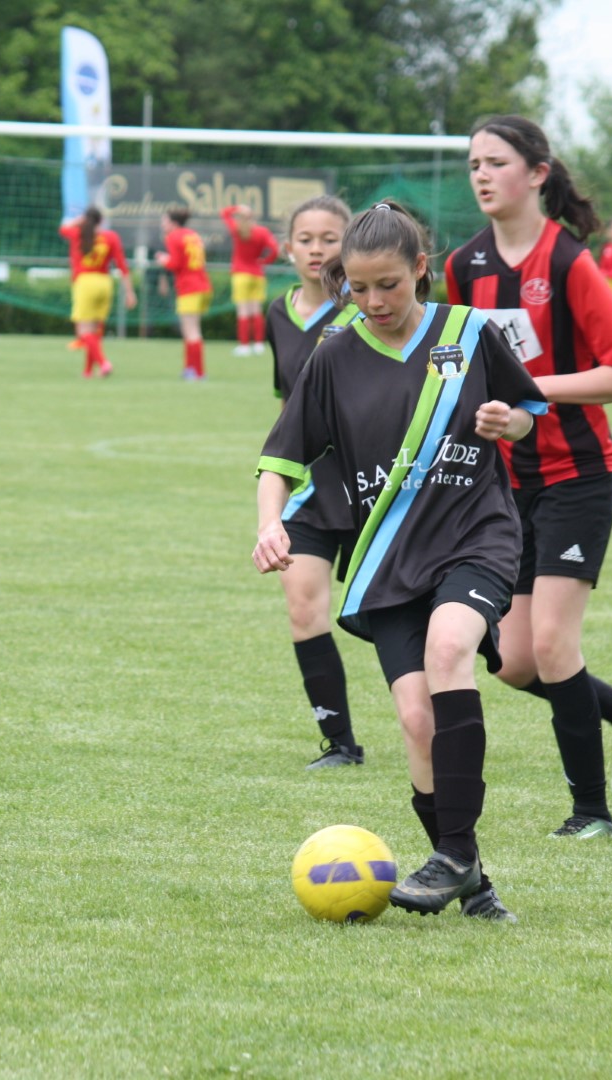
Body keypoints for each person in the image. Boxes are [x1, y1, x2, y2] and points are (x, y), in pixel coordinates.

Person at [255, 201, 548, 922]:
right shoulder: (334, 357)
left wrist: (506, 421)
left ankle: (452, 855)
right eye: (357, 288)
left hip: (476, 536)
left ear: (420, 268)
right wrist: (268, 524)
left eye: (388, 284)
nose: (374, 301)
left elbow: (528, 410)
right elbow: (280, 456)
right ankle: (471, 876)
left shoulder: (469, 333)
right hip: (388, 559)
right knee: (418, 721)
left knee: (449, 649)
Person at [445, 115, 612, 839]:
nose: (481, 175)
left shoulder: (568, 263)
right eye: (474, 164)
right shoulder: (465, 266)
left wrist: (532, 391)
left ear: (537, 173)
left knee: (552, 646)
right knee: (511, 661)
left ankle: (590, 811)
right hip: (506, 485)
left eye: (496, 162)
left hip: (578, 477)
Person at [260, 194, 364, 767]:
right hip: (309, 488)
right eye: (306, 239)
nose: (318, 249)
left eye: (330, 239)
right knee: (303, 607)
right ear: (288, 248)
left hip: (373, 485)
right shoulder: (278, 312)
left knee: (398, 621)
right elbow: (287, 402)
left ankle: (432, 722)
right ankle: (340, 742)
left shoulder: (367, 308)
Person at [60, 207, 137, 377]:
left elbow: (63, 229)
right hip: (104, 283)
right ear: (101, 221)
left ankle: (103, 363)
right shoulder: (111, 237)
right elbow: (122, 266)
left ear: (85, 219)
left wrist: (78, 221)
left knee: (84, 332)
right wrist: (130, 292)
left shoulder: (78, 234)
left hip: (85, 283)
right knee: (95, 331)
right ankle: (88, 371)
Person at [155, 204, 211, 380]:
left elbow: (176, 264)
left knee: (191, 330)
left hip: (189, 287)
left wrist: (163, 260)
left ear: (173, 223)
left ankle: (198, 372)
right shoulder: (192, 234)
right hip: (203, 284)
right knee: (193, 330)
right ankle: (189, 368)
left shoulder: (173, 236)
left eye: (164, 221)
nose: (162, 224)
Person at [222, 203, 279, 355]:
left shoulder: (237, 229)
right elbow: (274, 249)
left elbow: (224, 213)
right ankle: (259, 344)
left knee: (243, 311)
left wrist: (236, 208)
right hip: (257, 274)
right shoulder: (262, 231)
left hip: (240, 274)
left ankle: (244, 345)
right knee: (256, 311)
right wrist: (264, 261)